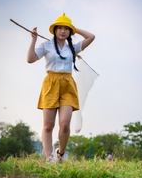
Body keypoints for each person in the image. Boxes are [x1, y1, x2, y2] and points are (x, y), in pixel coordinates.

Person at [27, 13, 95, 163]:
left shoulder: (74, 47)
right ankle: (48, 157)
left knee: (64, 124)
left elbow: (91, 37)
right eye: (60, 28)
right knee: (48, 125)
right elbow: (30, 59)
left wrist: (74, 28)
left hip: (68, 84)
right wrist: (33, 40)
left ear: (70, 31)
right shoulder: (46, 45)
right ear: (54, 30)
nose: (62, 31)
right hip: (51, 83)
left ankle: (60, 154)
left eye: (66, 29)